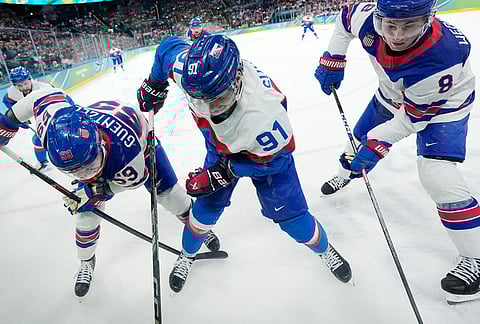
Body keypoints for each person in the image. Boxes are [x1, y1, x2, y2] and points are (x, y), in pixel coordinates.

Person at [137, 34, 352, 293]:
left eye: (216, 100)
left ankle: (324, 250)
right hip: (221, 145)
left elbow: (274, 162)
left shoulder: (264, 116)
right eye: (198, 99)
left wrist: (226, 171)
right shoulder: (196, 75)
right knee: (204, 210)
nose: (206, 109)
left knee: (293, 220)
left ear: (238, 81)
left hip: (268, 157)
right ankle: (187, 254)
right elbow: (168, 47)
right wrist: (155, 83)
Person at [315, 0, 479, 304]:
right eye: (390, 25)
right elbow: (346, 17)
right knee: (356, 147)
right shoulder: (367, 18)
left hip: (445, 107)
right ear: (378, 16)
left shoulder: (444, 56)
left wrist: (378, 143)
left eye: (410, 25)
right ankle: (344, 174)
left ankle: (477, 256)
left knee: (436, 174)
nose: (397, 36)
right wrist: (333, 58)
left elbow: (413, 119)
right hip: (392, 95)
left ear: (429, 19)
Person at [0, 87, 220, 298]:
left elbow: (136, 180)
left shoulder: (129, 153)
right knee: (85, 217)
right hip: (101, 139)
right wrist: (6, 123)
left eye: (89, 166)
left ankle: (195, 228)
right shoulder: (51, 126)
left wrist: (96, 191)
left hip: (140, 144)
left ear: (99, 144)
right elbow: (39, 96)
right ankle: (86, 261)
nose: (86, 174)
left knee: (170, 196)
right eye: (75, 171)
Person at [2, 66, 52, 171]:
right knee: (38, 139)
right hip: (36, 111)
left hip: (51, 111)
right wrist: (19, 119)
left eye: (25, 83)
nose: (24, 88)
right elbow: (8, 102)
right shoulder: (12, 92)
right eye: (20, 85)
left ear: (30, 79)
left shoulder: (44, 88)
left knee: (40, 139)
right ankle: (44, 162)